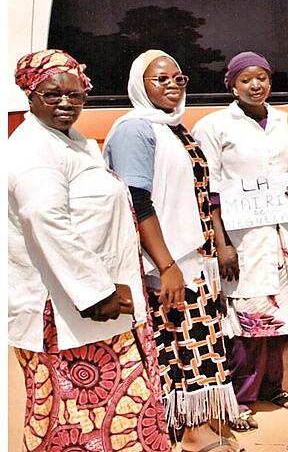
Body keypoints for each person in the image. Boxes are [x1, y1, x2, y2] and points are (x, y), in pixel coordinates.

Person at [8, 50, 171, 452]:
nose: (66, 103)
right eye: (52, 94)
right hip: (67, 312)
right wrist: (97, 292)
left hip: (97, 303)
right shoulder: (34, 150)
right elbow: (44, 217)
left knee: (116, 418)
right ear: (30, 95)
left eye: (75, 94)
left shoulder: (71, 142)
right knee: (79, 422)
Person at [105, 50, 239, 452]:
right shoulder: (134, 130)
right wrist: (166, 266)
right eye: (160, 79)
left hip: (194, 256)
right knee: (179, 343)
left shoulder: (175, 128)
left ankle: (206, 422)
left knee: (201, 342)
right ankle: (193, 433)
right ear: (139, 84)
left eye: (178, 79)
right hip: (165, 261)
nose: (172, 86)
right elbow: (136, 200)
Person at [191, 52, 288, 431]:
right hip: (242, 239)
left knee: (279, 319)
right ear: (232, 86)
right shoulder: (214, 127)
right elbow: (209, 190)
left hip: (282, 234)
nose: (255, 85)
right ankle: (241, 400)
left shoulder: (284, 121)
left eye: (261, 78)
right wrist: (222, 243)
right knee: (246, 325)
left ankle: (272, 387)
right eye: (246, 79)